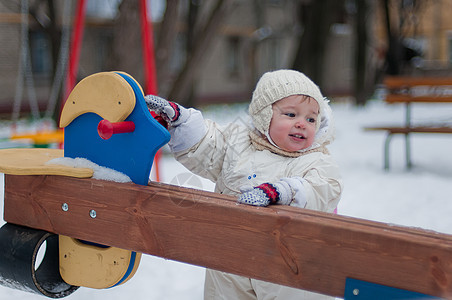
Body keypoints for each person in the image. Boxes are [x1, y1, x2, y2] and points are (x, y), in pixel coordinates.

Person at [145, 69, 343, 299]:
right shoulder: (239, 143)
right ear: (264, 116)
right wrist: (180, 120)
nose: (302, 124)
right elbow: (208, 144)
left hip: (289, 263)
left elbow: (323, 187)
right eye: (291, 115)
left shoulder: (317, 159)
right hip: (231, 255)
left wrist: (282, 191)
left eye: (311, 119)